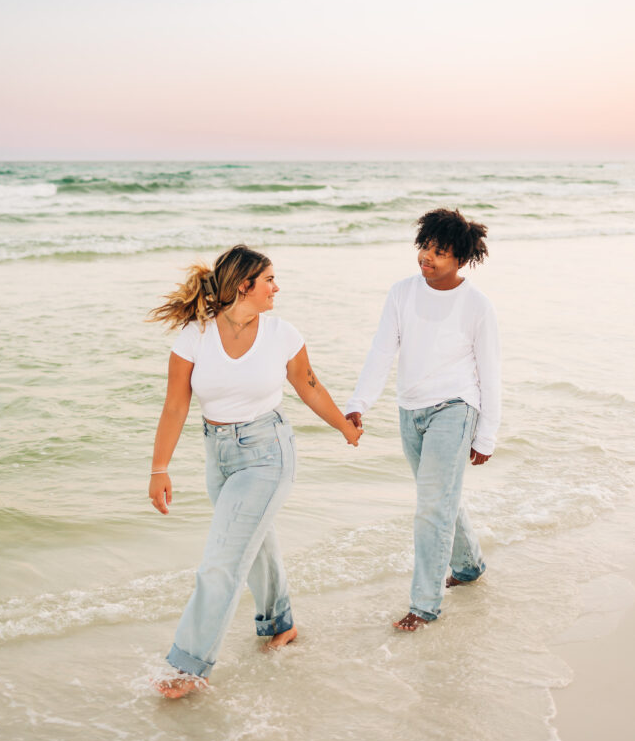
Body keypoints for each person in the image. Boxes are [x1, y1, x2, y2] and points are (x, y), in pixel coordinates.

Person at [148, 244, 362, 697]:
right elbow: (174, 406)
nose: (276, 288)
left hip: (268, 453)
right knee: (256, 543)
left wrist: (345, 426)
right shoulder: (195, 335)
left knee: (220, 562)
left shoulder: (282, 333)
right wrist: (159, 469)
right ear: (243, 285)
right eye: (268, 279)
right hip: (218, 456)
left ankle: (189, 664)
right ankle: (280, 625)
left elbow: (309, 384)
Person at [346, 209, 500, 631]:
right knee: (441, 499)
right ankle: (468, 567)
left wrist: (486, 435)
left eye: (439, 251)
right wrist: (360, 401)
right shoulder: (402, 293)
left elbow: (490, 373)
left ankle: (425, 605)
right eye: (424, 247)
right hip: (409, 410)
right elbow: (382, 351)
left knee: (431, 507)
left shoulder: (477, 306)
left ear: (461, 258)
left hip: (455, 407)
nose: (426, 257)